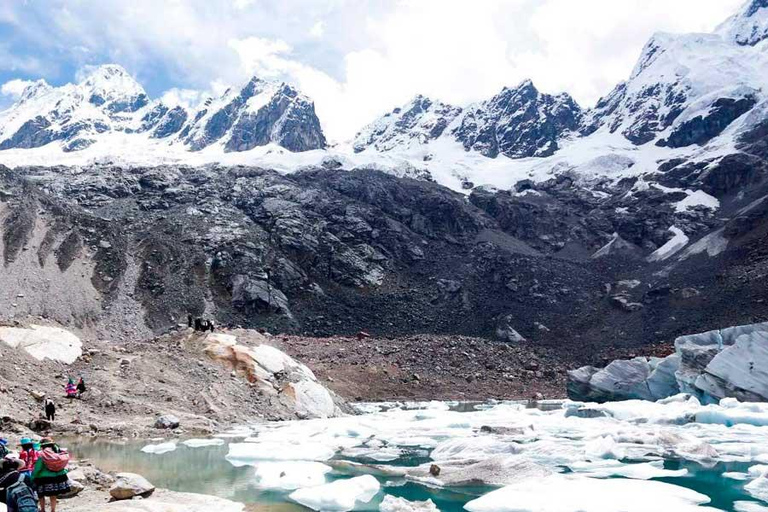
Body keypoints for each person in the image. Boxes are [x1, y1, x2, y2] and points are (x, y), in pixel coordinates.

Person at [31, 438, 69, 512]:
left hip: (42, 478)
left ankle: (42, 510)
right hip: (56, 477)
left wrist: (33, 477)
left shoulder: (42, 454)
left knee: (41, 495)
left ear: (42, 446)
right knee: (53, 495)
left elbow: (38, 468)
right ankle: (53, 510)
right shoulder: (58, 453)